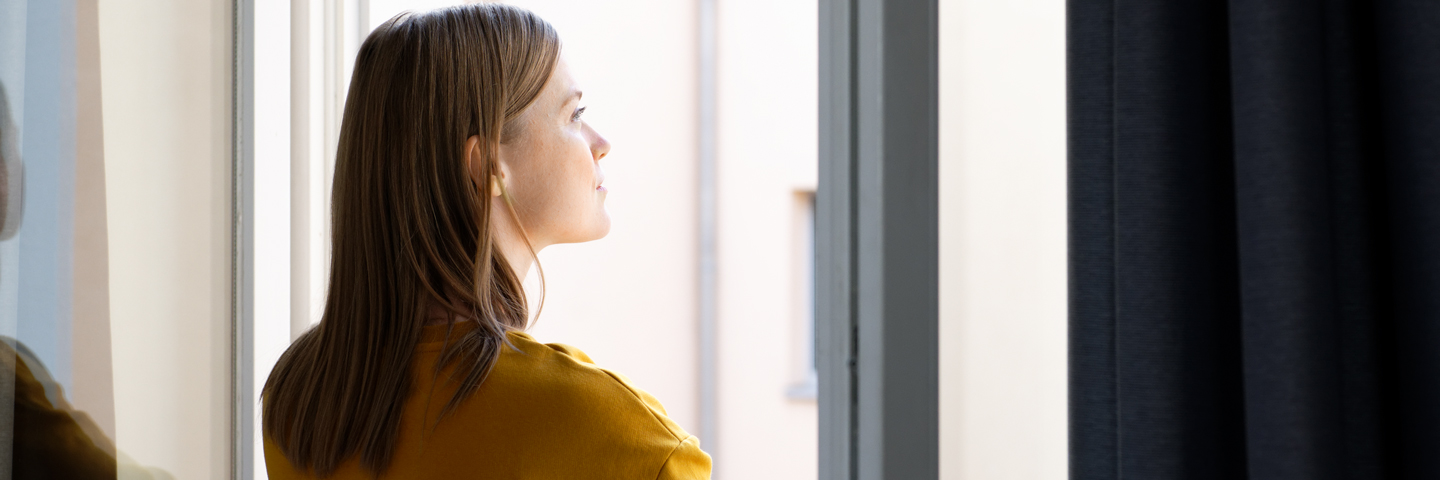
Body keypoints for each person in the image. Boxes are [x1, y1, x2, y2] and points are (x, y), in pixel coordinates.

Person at [261, 4, 712, 479]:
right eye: (574, 114)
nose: (601, 142)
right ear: (488, 166)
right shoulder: (626, 441)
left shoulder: (298, 398)